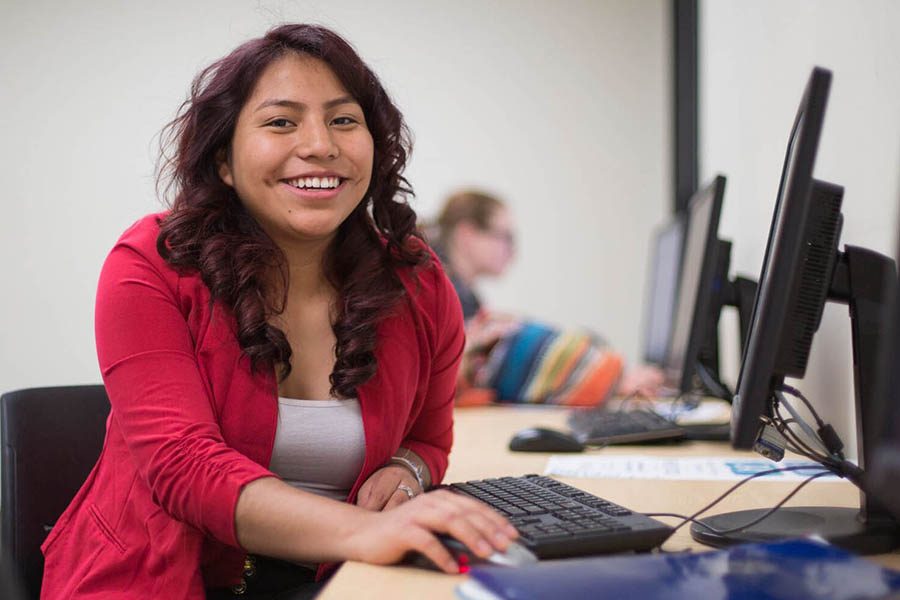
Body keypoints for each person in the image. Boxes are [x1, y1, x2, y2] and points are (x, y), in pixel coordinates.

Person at [39, 24, 517, 599]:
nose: (320, 145)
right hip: (157, 580)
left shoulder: (416, 280)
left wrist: (408, 473)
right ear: (223, 160)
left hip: (345, 580)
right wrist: (368, 531)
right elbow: (184, 468)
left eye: (344, 120)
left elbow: (428, 438)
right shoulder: (150, 265)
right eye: (280, 122)